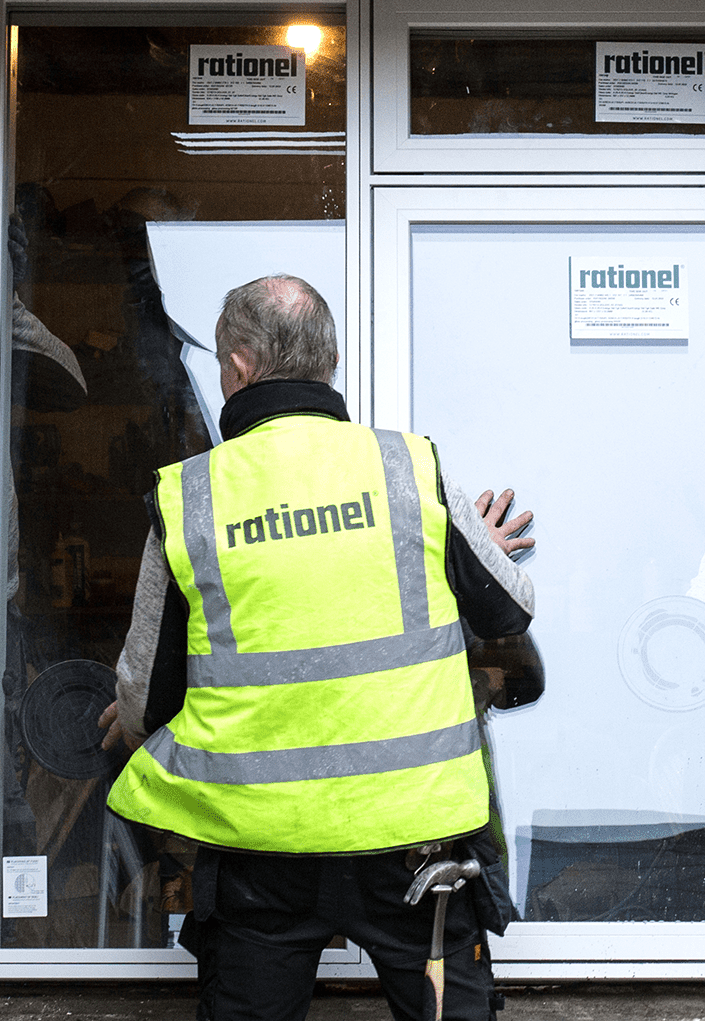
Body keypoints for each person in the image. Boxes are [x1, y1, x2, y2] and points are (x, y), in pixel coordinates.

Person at [99, 274, 535, 1021]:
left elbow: (145, 698)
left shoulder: (190, 496)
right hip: (414, 839)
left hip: (263, 853)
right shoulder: (408, 468)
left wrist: (127, 721)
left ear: (236, 367)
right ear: (328, 362)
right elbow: (511, 607)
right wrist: (471, 549)